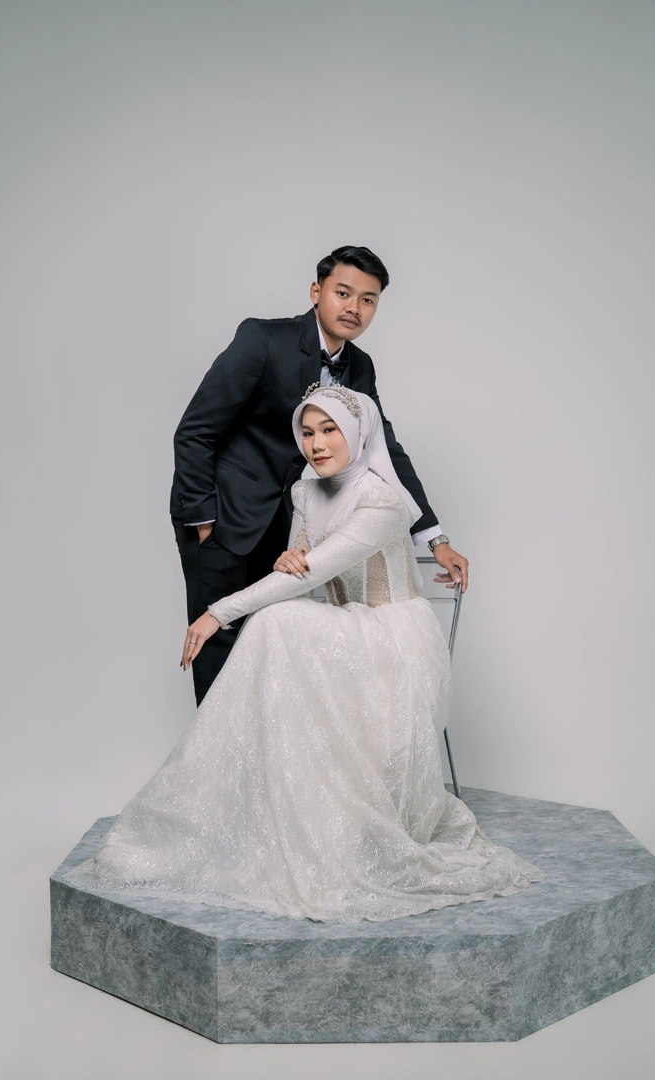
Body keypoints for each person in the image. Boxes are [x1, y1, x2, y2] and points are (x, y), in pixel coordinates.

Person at [64, 387, 544, 924]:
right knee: (278, 620)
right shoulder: (304, 492)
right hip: (341, 632)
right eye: (308, 432)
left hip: (391, 640)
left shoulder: (383, 501)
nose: (316, 444)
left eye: (330, 430)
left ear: (357, 433)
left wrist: (218, 612)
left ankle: (313, 819)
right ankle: (275, 809)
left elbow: (314, 572)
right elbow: (302, 574)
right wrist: (287, 558)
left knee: (277, 621)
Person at [170, 244, 469, 704]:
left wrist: (434, 538)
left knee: (267, 642)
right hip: (225, 514)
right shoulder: (262, 339)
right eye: (343, 293)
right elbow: (195, 431)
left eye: (368, 300)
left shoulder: (360, 366)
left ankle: (261, 749)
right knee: (218, 641)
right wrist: (204, 521)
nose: (354, 308)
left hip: (290, 528)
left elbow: (384, 448)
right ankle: (217, 752)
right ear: (316, 292)